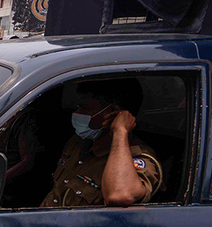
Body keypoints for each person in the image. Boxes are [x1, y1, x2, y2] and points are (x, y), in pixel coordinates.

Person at [41, 79, 162, 208]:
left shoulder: (138, 155)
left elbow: (119, 195)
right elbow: (56, 193)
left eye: (84, 108)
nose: (76, 113)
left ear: (111, 112)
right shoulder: (78, 143)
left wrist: (120, 130)